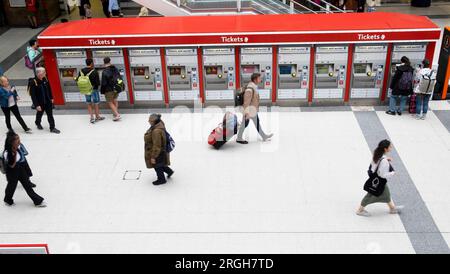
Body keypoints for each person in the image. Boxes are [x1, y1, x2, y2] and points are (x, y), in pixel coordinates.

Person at [356, 139, 403, 217]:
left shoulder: (377, 153)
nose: (391, 148)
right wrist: (392, 173)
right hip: (379, 180)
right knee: (370, 195)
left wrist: (386, 159)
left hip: (375, 177)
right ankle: (360, 210)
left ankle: (392, 208)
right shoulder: (383, 161)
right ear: (385, 149)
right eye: (390, 147)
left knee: (386, 194)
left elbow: (375, 163)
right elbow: (383, 175)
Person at [3, 131, 46, 207]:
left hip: (20, 168)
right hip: (12, 172)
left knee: (27, 185)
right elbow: (12, 166)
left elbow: (23, 156)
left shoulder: (18, 146)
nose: (19, 140)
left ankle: (37, 201)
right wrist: (15, 154)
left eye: (19, 138)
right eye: (17, 139)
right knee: (11, 187)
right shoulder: (7, 153)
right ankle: (7, 200)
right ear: (12, 142)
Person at [236, 73, 273, 144]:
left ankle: (263, 136)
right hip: (249, 111)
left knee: (257, 123)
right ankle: (239, 138)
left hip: (253, 110)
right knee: (245, 124)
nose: (260, 79)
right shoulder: (250, 89)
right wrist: (246, 113)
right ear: (255, 79)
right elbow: (246, 102)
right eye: (259, 78)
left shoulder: (254, 87)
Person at [144, 114, 174, 186]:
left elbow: (157, 146)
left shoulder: (156, 131)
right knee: (161, 163)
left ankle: (161, 179)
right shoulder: (159, 124)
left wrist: (153, 157)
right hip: (161, 151)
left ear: (154, 121)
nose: (148, 121)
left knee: (157, 166)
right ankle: (169, 171)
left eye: (150, 120)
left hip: (158, 152)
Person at [30, 67, 60, 134]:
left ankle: (52, 128)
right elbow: (33, 96)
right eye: (44, 72)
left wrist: (52, 98)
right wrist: (37, 105)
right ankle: (37, 123)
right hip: (40, 103)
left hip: (48, 101)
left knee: (50, 115)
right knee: (39, 113)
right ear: (39, 73)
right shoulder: (33, 82)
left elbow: (49, 89)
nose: (45, 73)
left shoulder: (45, 79)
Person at [77, 58, 105, 124]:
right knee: (96, 103)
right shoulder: (94, 71)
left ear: (86, 63)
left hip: (85, 89)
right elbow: (97, 82)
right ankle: (97, 117)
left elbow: (78, 79)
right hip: (93, 89)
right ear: (92, 63)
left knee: (89, 103)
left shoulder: (81, 71)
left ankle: (92, 118)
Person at [100, 57, 121, 121]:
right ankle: (115, 113)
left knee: (110, 102)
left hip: (109, 89)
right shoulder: (115, 69)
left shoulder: (104, 71)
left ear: (104, 62)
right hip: (116, 87)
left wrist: (102, 90)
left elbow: (104, 83)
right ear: (110, 61)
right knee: (115, 99)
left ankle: (117, 115)